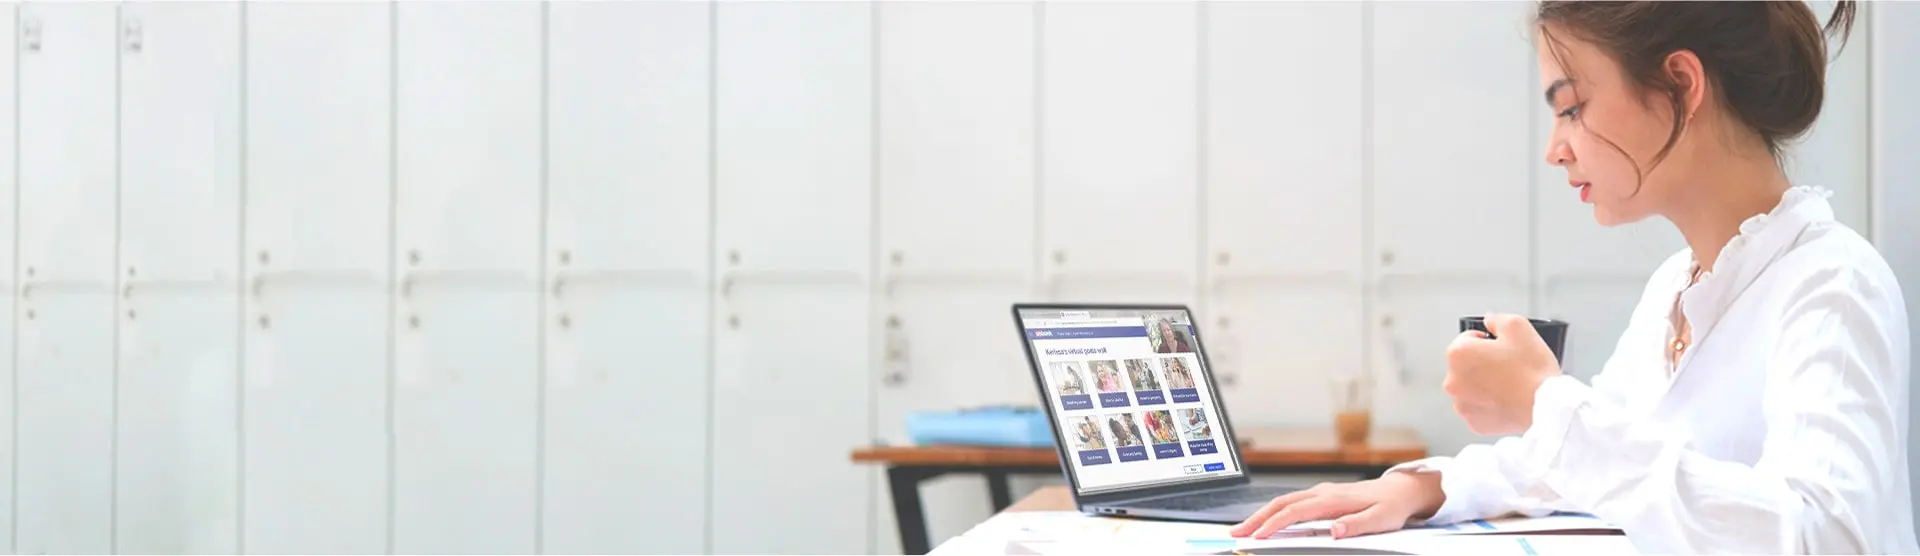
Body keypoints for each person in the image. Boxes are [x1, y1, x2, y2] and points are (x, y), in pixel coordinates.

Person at [1231, 2, 1917, 554]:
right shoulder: (1675, 288)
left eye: (1571, 107)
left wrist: (1547, 403)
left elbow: (1825, 537)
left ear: (1680, 85)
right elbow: (1581, 461)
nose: (1556, 149)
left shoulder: (1831, 285)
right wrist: (1427, 487)